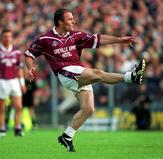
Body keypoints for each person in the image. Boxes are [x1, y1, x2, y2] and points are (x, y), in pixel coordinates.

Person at [24, 8, 146, 152]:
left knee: (88, 109)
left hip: (78, 71)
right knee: (97, 73)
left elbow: (99, 39)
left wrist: (119, 40)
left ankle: (67, 136)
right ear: (60, 22)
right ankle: (132, 76)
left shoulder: (77, 36)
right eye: (70, 19)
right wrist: (30, 68)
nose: (73, 21)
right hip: (65, 73)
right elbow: (29, 54)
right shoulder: (45, 40)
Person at [0, 28, 26, 137]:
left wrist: (22, 83)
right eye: (5, 36)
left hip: (14, 80)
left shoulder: (16, 51)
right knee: (2, 108)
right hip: (2, 80)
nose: (7, 38)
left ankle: (18, 128)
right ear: (2, 37)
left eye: (9, 36)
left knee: (19, 106)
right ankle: (2, 129)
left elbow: (19, 68)